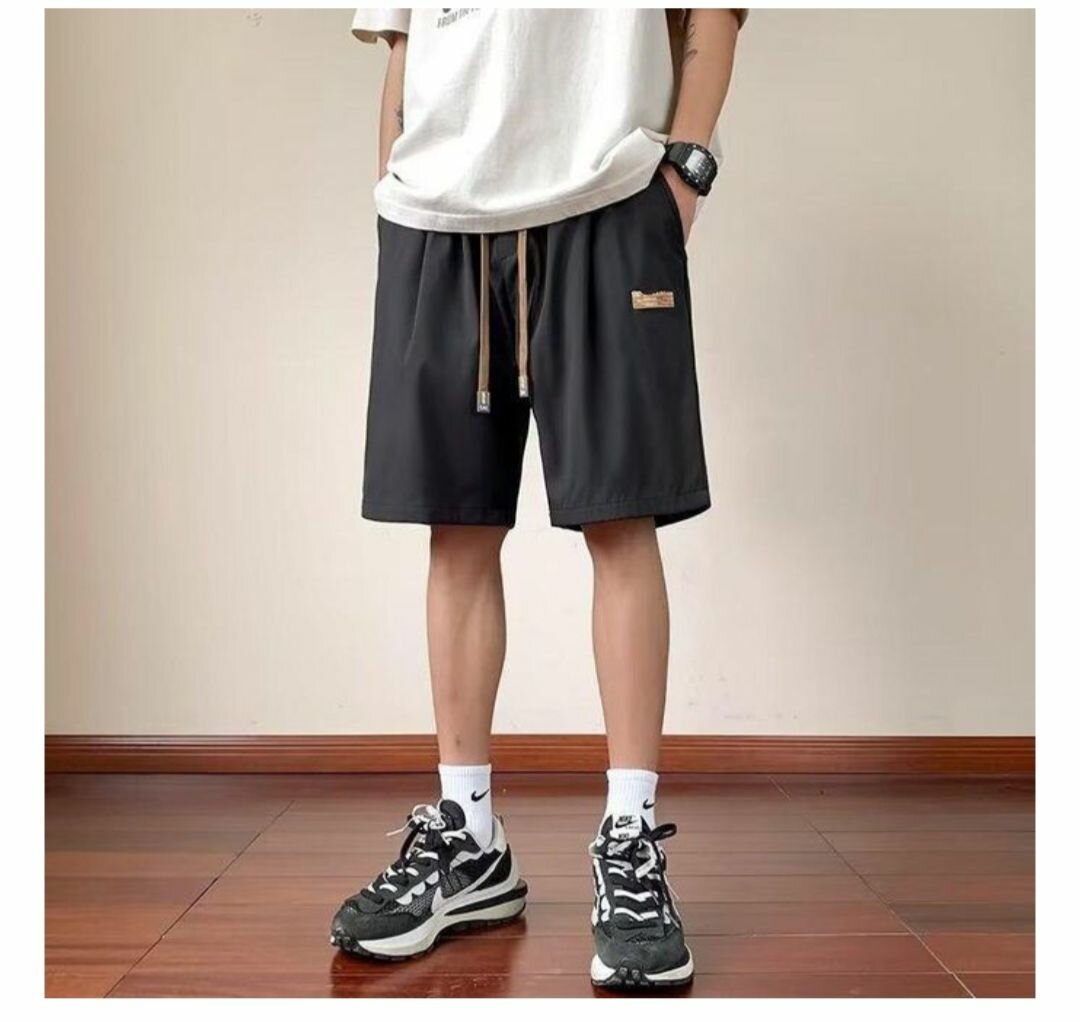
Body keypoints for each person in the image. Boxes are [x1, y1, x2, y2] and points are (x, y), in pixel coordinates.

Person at [331, 7, 745, 990]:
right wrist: (394, 188)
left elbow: (715, 12)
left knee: (621, 519)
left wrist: (682, 178)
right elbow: (403, 42)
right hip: (437, 216)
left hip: (609, 195)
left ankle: (631, 837)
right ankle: (469, 838)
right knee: (457, 530)